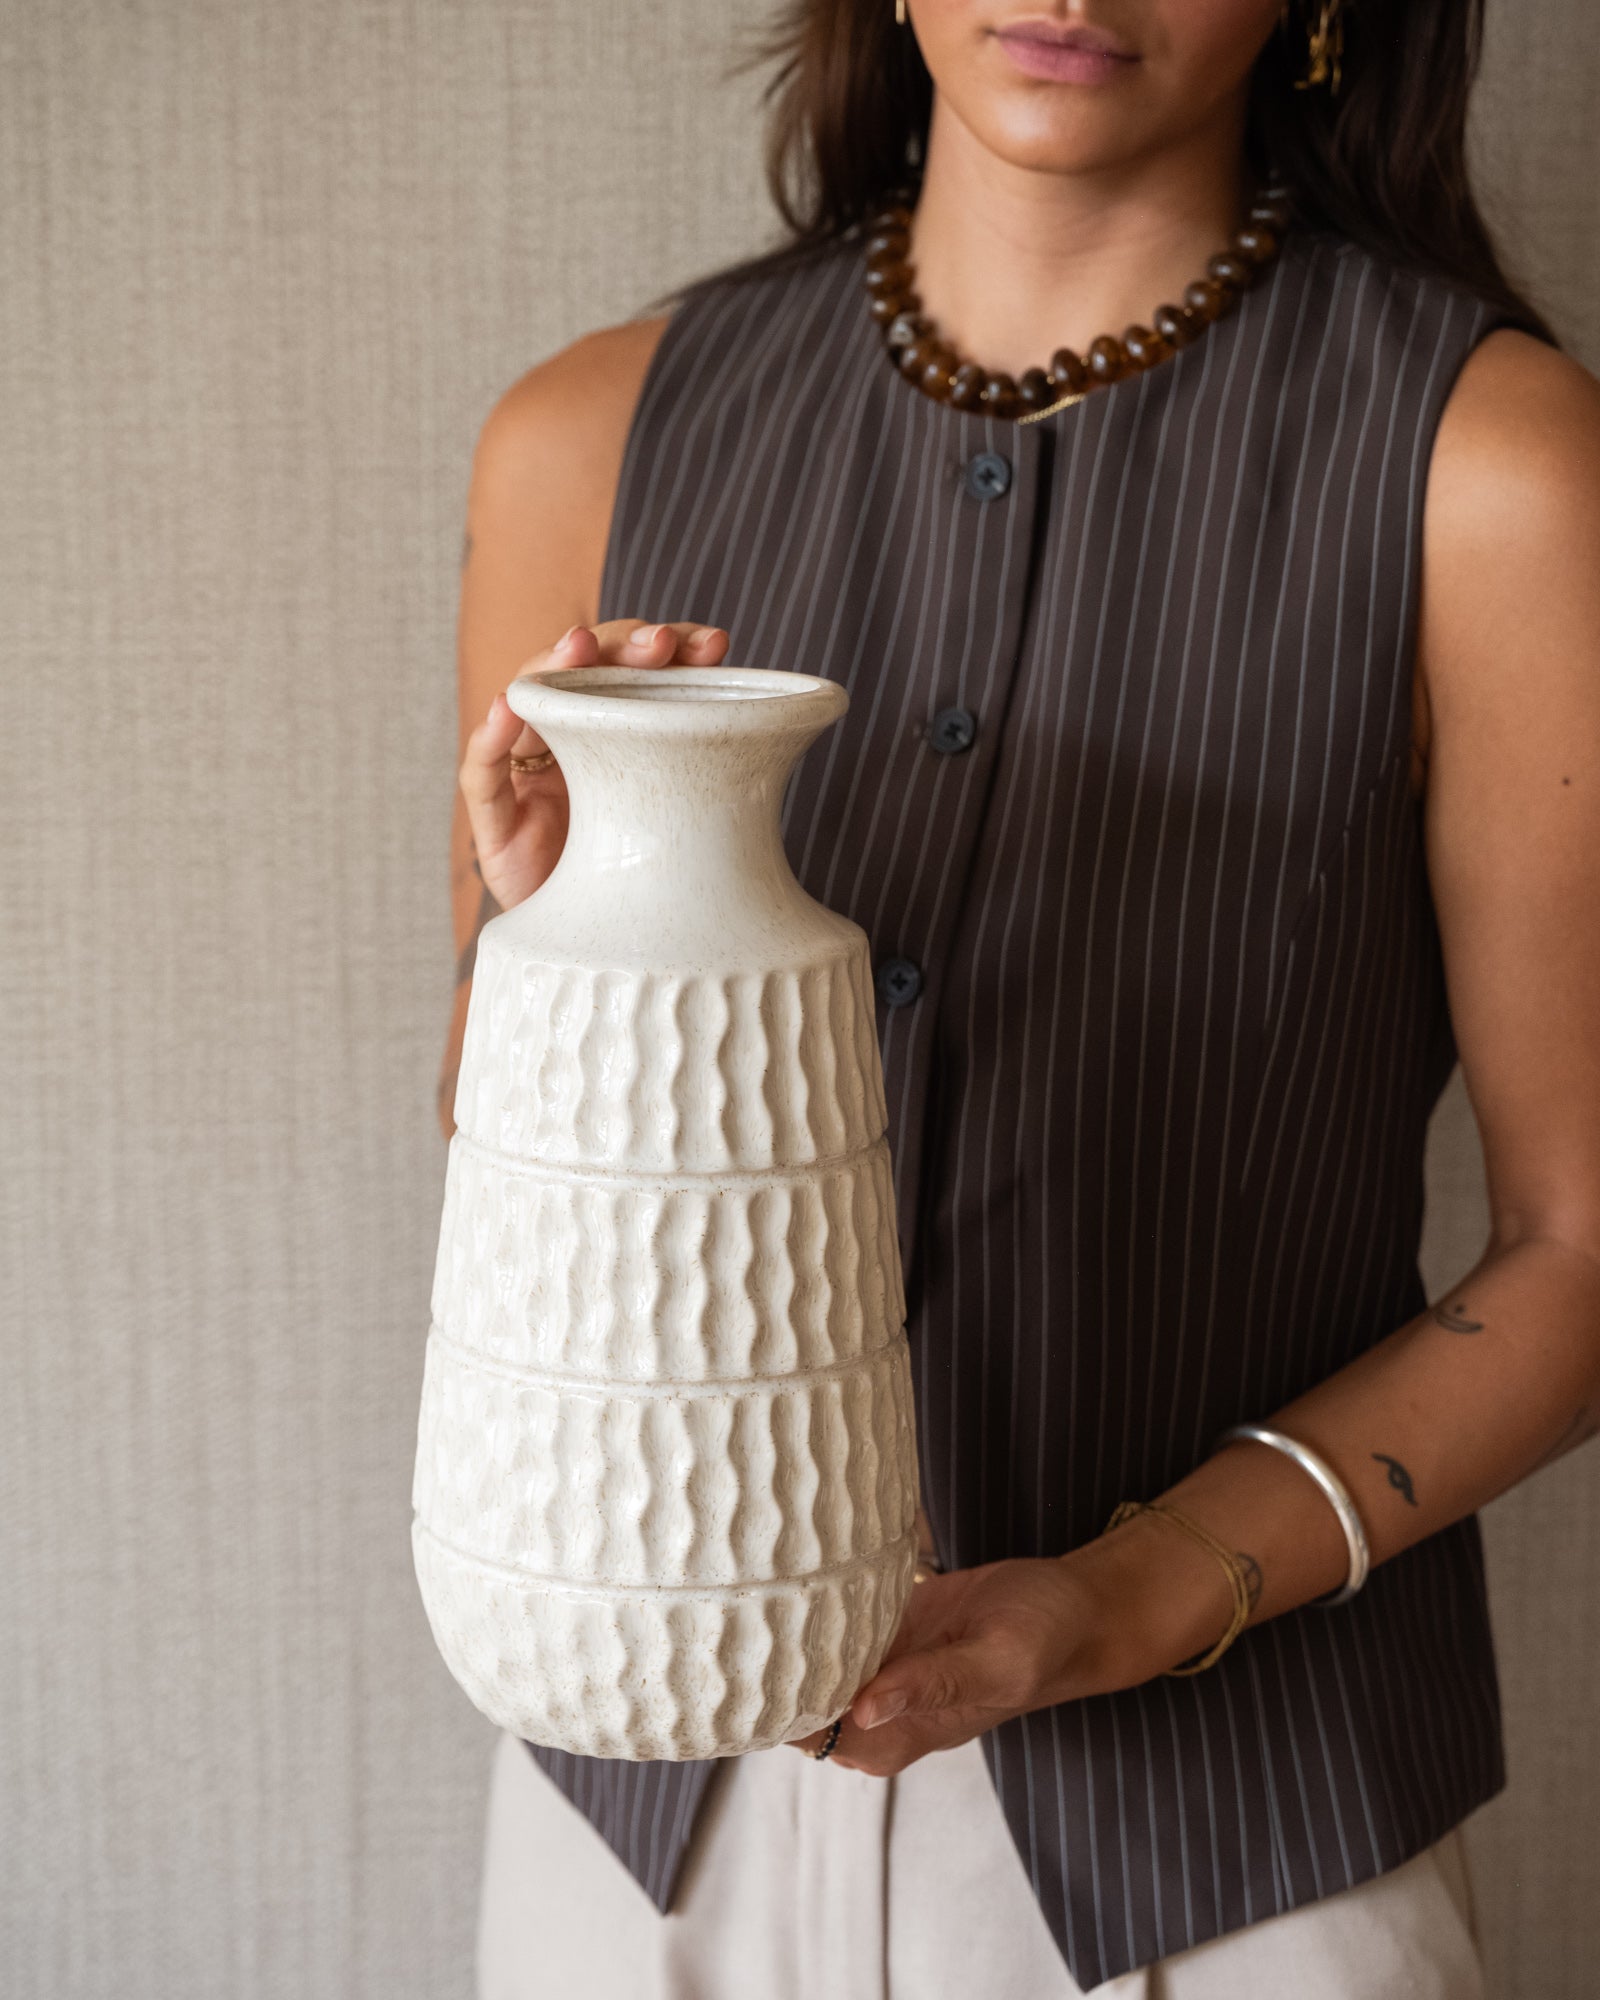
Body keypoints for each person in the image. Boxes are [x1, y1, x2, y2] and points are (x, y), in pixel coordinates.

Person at [437, 2, 1600, 1994]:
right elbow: (484, 1145)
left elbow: (1576, 1245)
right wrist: (570, 973)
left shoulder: (1499, 469)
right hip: (646, 1830)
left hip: (1239, 1855)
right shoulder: (583, 433)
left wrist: (1120, 1600)